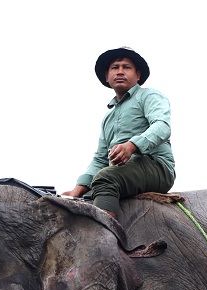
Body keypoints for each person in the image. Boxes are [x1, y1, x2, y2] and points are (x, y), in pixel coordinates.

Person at [62, 47, 175, 216]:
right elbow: (100, 159)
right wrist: (77, 190)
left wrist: (132, 145)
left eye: (126, 67)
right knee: (84, 199)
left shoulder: (149, 96)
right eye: (115, 67)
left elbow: (162, 126)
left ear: (138, 75)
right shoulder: (108, 118)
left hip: (156, 167)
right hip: (119, 174)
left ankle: (106, 238)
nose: (120, 71)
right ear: (107, 76)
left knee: (105, 179)